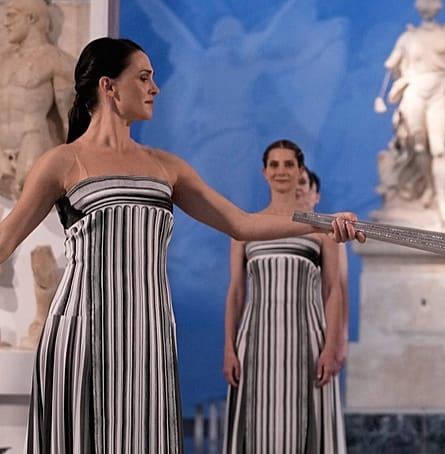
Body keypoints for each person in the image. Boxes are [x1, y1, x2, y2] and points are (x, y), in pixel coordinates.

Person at [0, 38, 360, 453]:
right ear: (108, 87)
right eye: (144, 77)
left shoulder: (165, 167)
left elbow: (240, 223)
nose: (155, 88)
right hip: (83, 330)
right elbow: (6, 240)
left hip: (150, 331)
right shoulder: (62, 162)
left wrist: (322, 224)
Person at [222, 141, 347, 453]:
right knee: (256, 427)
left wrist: (331, 346)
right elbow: (236, 291)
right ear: (264, 172)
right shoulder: (244, 227)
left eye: (289, 164)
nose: (281, 171)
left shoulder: (321, 228)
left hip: (306, 343)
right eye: (274, 164)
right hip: (255, 345)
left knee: (306, 426)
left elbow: (333, 290)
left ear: (300, 171)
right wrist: (229, 347)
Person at [373, 0, 445, 233]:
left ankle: (441, 200)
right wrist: (389, 77)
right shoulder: (408, 38)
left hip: (439, 91)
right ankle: (431, 189)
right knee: (418, 147)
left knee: (438, 147)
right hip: (415, 90)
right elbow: (391, 66)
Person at [0, 0, 74, 199]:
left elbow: (70, 121)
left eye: (11, 15)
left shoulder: (56, 61)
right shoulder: (3, 61)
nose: (6, 23)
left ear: (31, 18)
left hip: (33, 147)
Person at [297, 167, 349, 370]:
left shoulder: (330, 235)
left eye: (303, 183)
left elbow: (340, 287)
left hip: (317, 327)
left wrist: (340, 338)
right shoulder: (270, 231)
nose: (297, 189)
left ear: (316, 195)